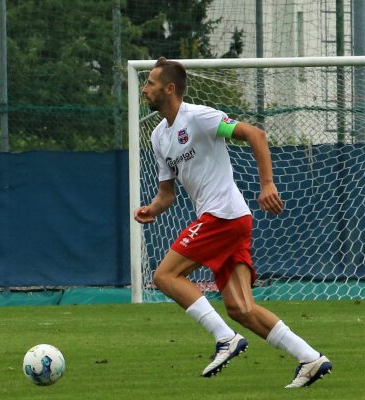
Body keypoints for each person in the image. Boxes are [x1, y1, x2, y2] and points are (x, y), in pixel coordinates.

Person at [134, 57, 332, 388]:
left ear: (169, 89)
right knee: (240, 307)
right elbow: (166, 194)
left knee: (165, 275)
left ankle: (225, 338)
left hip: (224, 215)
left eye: (151, 83)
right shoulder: (158, 137)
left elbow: (255, 134)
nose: (145, 88)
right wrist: (153, 209)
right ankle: (310, 358)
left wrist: (267, 183)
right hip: (226, 220)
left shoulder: (199, 117)